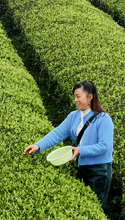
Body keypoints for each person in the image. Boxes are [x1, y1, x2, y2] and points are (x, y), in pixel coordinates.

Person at [24, 80, 114, 208]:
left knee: (97, 206)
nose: (75, 100)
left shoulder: (103, 119)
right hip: (81, 166)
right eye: (74, 97)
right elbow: (57, 133)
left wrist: (80, 150)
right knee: (83, 205)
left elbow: (104, 146)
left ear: (90, 97)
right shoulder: (73, 116)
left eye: (78, 96)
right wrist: (38, 145)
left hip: (99, 170)